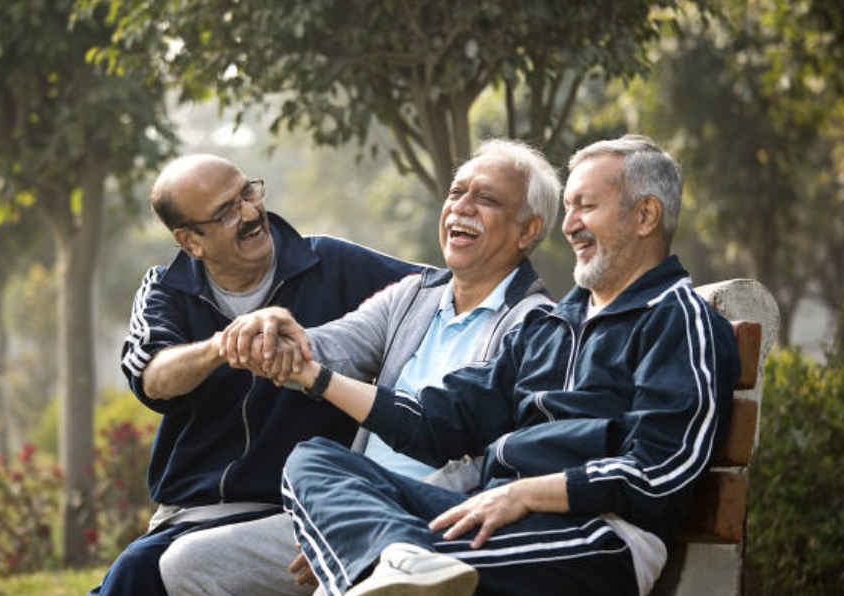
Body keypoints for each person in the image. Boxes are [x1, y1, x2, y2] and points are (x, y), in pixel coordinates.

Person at [274, 135, 741, 596]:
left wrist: (524, 493)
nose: (570, 224)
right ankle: (395, 558)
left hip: (594, 537)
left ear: (645, 216)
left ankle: (391, 561)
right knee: (313, 459)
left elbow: (664, 469)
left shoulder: (678, 320)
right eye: (569, 207)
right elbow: (441, 422)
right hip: (496, 518)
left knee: (377, 576)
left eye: (587, 206)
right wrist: (316, 377)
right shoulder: (549, 329)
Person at [158, 138, 562, 596]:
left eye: (485, 199)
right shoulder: (413, 295)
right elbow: (324, 348)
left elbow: (477, 451)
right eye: (456, 192)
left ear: (528, 230)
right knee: (187, 564)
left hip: (440, 520)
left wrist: (356, 527)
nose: (461, 207)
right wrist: (273, 329)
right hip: (350, 508)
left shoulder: (536, 325)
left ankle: (374, 557)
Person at [89, 154, 420, 596]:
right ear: (190, 241)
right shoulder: (165, 288)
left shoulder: (335, 263)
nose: (250, 213)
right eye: (226, 212)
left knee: (137, 575)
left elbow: (439, 294)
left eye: (248, 192)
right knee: (138, 574)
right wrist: (225, 345)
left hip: (307, 503)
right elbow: (153, 376)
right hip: (196, 512)